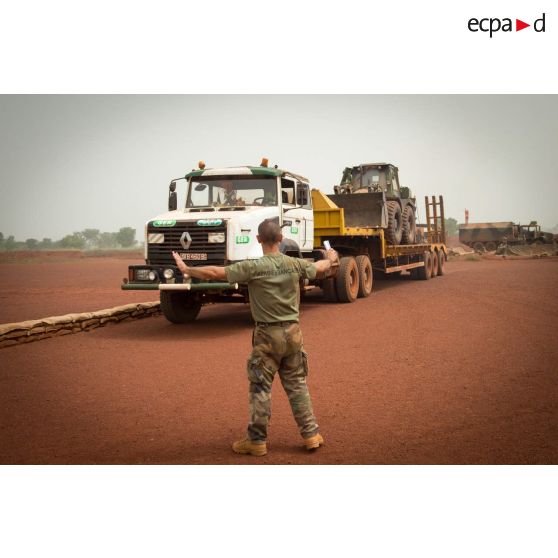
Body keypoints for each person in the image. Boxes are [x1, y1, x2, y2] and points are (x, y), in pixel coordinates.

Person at [171, 219, 337, 456]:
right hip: (293, 334)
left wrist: (188, 269)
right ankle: (311, 435)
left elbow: (216, 273)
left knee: (260, 388)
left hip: (266, 337)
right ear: (281, 239)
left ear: (258, 240)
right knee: (297, 385)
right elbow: (321, 268)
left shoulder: (253, 267)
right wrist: (330, 257)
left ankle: (257, 441)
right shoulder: (294, 264)